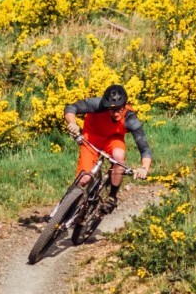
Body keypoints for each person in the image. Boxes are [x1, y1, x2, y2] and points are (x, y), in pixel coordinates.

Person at [63, 84, 152, 213]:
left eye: (119, 109)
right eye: (112, 110)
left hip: (113, 139)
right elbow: (71, 107)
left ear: (124, 106)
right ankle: (64, 208)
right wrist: (72, 123)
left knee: (119, 157)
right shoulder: (98, 104)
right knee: (84, 178)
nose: (116, 113)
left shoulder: (130, 119)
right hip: (92, 136)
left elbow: (144, 149)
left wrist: (144, 168)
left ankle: (112, 196)